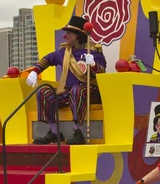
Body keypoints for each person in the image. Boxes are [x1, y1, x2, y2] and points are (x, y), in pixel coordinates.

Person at [26, 15, 107, 145]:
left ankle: (78, 131)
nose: (66, 35)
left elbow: (102, 72)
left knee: (77, 90)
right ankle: (54, 131)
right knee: (44, 93)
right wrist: (35, 71)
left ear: (77, 35)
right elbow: (47, 59)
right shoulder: (64, 52)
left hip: (90, 91)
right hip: (69, 92)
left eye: (69, 33)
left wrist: (93, 65)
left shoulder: (93, 51)